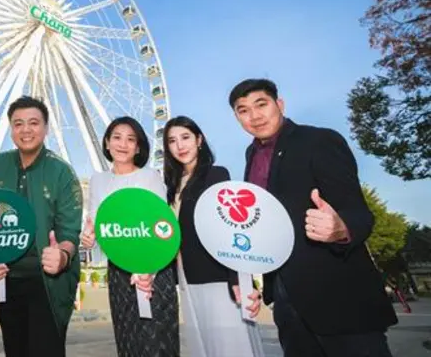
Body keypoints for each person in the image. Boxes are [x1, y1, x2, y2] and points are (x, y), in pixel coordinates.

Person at [229, 78, 398, 357]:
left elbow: (358, 212)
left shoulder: (319, 140)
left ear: (279, 104)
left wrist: (342, 228)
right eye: (243, 110)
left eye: (261, 105)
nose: (254, 116)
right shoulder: (251, 156)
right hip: (286, 299)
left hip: (340, 297)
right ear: (237, 118)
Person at [0, 96, 83, 357]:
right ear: (11, 129)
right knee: (14, 349)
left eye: (34, 123)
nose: (26, 130)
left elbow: (70, 230)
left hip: (48, 282)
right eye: (18, 124)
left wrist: (62, 254)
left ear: (46, 128)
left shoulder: (62, 171)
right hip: (7, 279)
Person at [163, 115, 263, 357]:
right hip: (187, 276)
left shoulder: (216, 175)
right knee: (205, 343)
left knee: (229, 344)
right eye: (172, 141)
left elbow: (231, 226)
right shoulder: (171, 186)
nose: (180, 145)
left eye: (186, 137)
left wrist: (238, 279)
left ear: (199, 139)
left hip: (216, 275)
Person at [81, 116, 180, 357]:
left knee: (157, 339)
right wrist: (88, 237)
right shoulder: (98, 181)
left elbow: (162, 225)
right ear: (106, 143)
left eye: (130, 139)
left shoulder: (150, 177)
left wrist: (149, 270)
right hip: (119, 270)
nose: (122, 144)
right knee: (128, 339)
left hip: (154, 268)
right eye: (116, 137)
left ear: (138, 147)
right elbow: (97, 223)